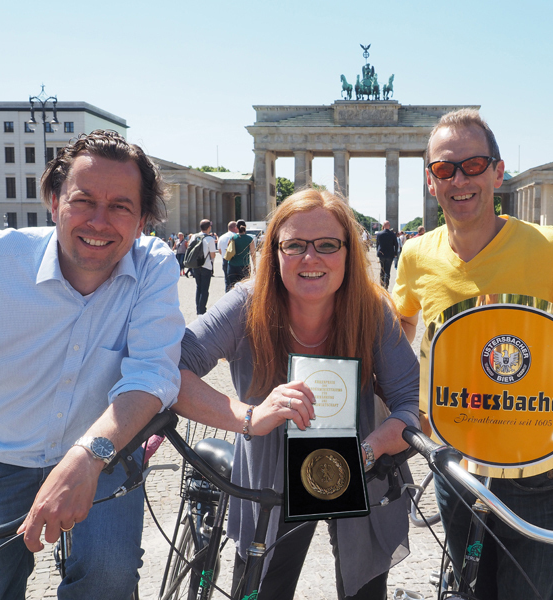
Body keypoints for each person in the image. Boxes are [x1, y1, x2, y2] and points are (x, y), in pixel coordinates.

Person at [391, 108, 553, 600]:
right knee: (470, 590)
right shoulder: (418, 255)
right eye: (445, 168)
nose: (460, 179)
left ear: (498, 173)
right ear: (431, 181)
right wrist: (404, 401)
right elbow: (399, 323)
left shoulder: (550, 249)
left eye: (474, 164)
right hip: (455, 458)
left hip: (536, 463)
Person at [174, 189, 420, 600]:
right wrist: (248, 416)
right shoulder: (246, 304)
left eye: (327, 245)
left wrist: (370, 450)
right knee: (262, 587)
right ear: (274, 251)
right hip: (270, 475)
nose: (311, 258)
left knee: (365, 590)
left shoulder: (371, 308)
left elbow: (411, 403)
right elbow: (170, 369)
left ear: (348, 251)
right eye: (294, 245)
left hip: (359, 469)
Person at [0, 130, 185, 600]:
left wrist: (88, 457)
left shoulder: (153, 266)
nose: (99, 221)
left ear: (143, 220)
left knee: (109, 581)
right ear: (53, 201)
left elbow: (152, 373)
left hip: (104, 452)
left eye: (121, 207)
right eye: (83, 200)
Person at [193, 219, 218, 315]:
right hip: (206, 266)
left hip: (196, 266)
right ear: (209, 228)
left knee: (198, 287)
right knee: (204, 289)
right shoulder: (210, 239)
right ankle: (202, 310)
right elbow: (213, 255)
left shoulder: (194, 237)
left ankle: (198, 309)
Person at [225, 223, 256, 290]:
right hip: (244, 266)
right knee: (244, 288)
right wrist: (255, 266)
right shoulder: (249, 239)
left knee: (232, 287)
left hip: (232, 265)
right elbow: (253, 254)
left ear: (237, 227)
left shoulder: (232, 238)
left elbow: (228, 249)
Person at [376, 220, 398, 288]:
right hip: (390, 255)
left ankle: (381, 284)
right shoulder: (392, 234)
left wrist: (378, 251)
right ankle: (386, 285)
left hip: (381, 254)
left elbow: (377, 244)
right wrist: (395, 253)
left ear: (383, 226)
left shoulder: (379, 234)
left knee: (382, 270)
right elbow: (396, 244)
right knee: (387, 271)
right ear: (389, 226)